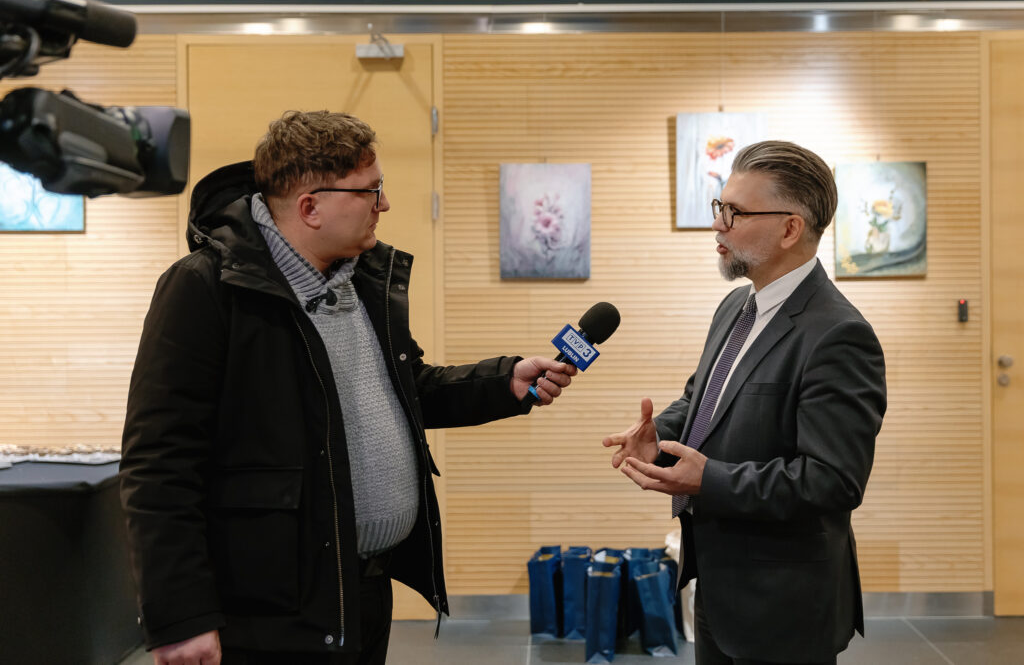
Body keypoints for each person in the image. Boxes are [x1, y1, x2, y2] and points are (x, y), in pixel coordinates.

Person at [120, 110, 577, 665]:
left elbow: (406, 390)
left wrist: (503, 381)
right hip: (268, 611)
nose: (385, 205)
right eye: (370, 191)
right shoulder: (204, 287)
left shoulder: (358, 280)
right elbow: (159, 463)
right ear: (310, 207)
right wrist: (181, 614)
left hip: (364, 591)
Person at [603, 140, 886, 665]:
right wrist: (660, 435)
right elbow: (704, 398)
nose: (718, 224)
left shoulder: (839, 335)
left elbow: (833, 480)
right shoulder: (737, 304)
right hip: (717, 583)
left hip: (783, 603)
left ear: (790, 229)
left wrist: (709, 480)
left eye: (734, 212)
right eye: (720, 207)